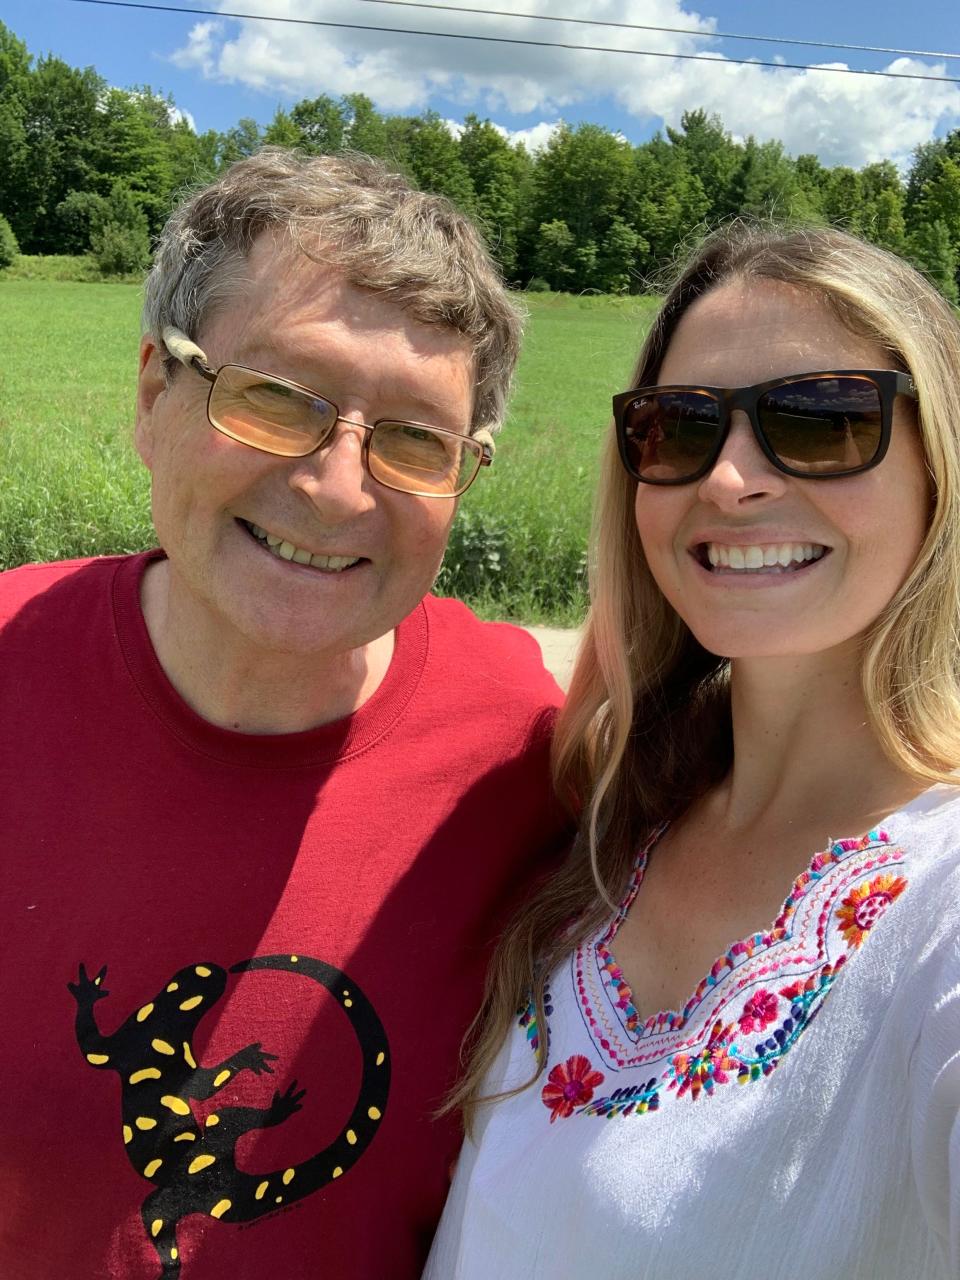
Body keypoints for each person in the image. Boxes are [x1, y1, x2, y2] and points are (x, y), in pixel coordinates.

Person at [0, 149, 571, 1280]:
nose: (339, 486)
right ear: (156, 393)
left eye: (414, 439)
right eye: (275, 399)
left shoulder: (534, 757)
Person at [426, 223, 960, 1279]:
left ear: (939, 463)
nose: (728, 480)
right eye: (679, 428)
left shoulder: (941, 913)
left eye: (819, 419)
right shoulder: (618, 810)